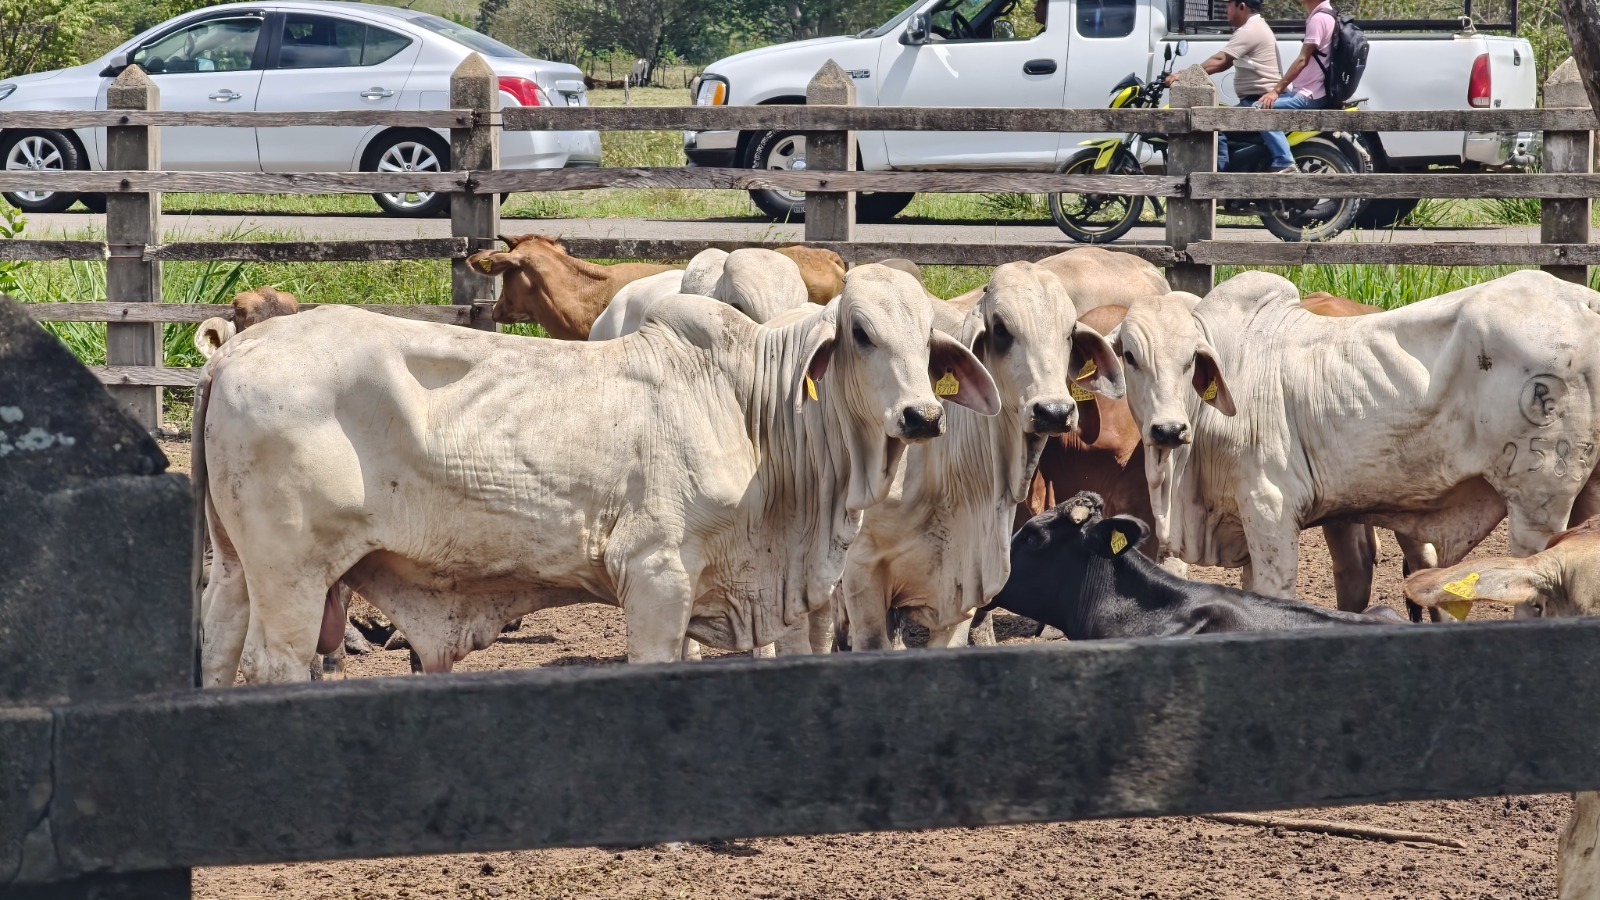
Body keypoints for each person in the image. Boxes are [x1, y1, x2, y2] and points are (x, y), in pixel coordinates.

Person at [1166, 0, 1293, 173]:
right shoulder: (1256, 26)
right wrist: (1188, 74)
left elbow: (1220, 61)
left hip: (1257, 101)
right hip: (1256, 101)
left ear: (1241, 5)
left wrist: (1184, 76)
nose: (1226, 9)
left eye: (1228, 4)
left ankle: (1219, 179)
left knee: (1214, 125)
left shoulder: (1250, 30)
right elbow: (1225, 62)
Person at [1258, 0, 1337, 114]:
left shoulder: (1318, 19)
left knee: (1258, 107)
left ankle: (1277, 133)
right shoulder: (1329, 15)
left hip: (1310, 95)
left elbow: (1302, 60)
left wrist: (1276, 91)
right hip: (1314, 93)